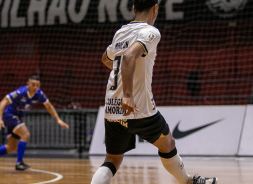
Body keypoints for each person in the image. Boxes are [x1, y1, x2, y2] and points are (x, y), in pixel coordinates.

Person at [90, 1, 218, 184]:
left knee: (112, 160)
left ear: (134, 9)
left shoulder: (121, 32)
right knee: (168, 145)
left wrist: (123, 72)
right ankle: (189, 182)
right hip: (137, 106)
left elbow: (106, 59)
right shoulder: (151, 32)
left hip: (112, 106)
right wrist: (127, 95)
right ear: (156, 8)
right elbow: (127, 57)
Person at [0, 75, 69, 171]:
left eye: (38, 85)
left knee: (12, 147)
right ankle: (19, 163)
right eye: (33, 85)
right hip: (9, 115)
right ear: (28, 84)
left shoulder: (39, 93)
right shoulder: (20, 92)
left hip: (18, 118)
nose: (35, 87)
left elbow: (49, 106)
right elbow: (3, 101)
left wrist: (58, 119)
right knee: (26, 134)